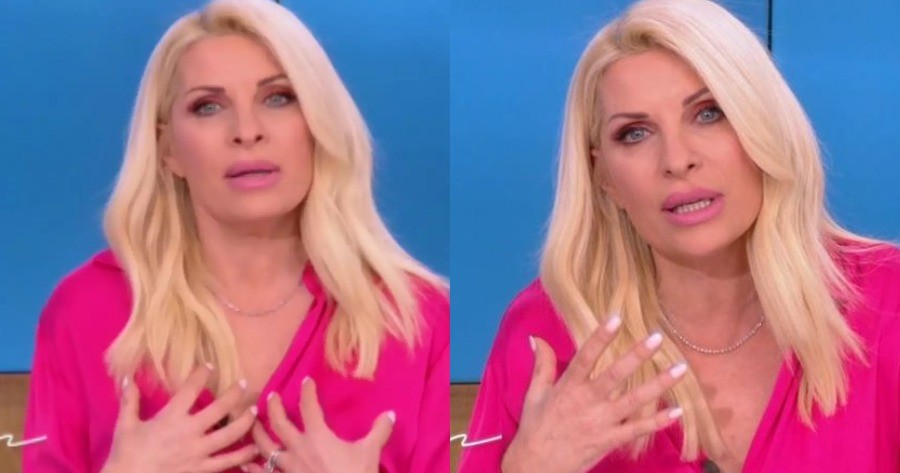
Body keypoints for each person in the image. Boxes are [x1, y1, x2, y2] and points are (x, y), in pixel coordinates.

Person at [458, 0, 900, 472]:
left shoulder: (886, 299)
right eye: (635, 133)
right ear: (603, 176)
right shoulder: (545, 332)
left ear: (763, 126)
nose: (676, 159)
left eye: (708, 113)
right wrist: (533, 463)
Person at [22, 0, 449, 472]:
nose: (247, 131)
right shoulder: (84, 311)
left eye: (278, 98)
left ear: (319, 125)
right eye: (208, 107)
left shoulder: (417, 318)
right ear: (168, 150)